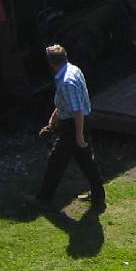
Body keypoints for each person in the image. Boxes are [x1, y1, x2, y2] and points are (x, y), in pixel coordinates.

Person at [34, 45, 105, 211]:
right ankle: (98, 195)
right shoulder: (73, 69)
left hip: (74, 126)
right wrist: (53, 119)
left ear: (51, 63)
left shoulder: (66, 82)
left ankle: (43, 198)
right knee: (86, 161)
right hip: (79, 122)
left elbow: (77, 111)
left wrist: (78, 136)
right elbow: (65, 102)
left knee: (56, 161)